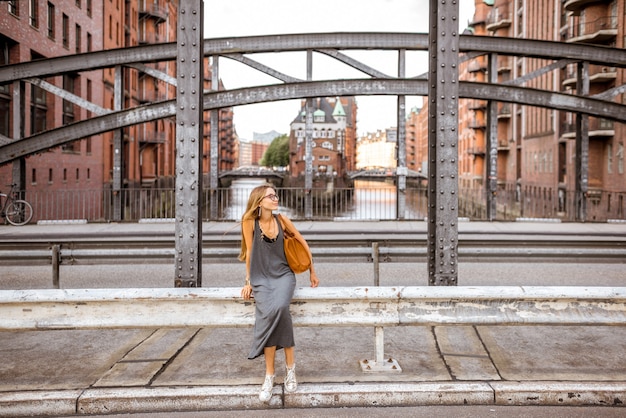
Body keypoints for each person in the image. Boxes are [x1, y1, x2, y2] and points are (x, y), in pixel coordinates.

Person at [238, 183, 320, 402]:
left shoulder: (282, 220)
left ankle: (289, 369)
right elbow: (249, 254)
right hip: (260, 277)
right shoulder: (250, 223)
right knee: (270, 315)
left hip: (283, 275)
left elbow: (304, 244)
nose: (275, 199)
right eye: (270, 196)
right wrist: (247, 282)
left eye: (275, 195)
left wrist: (312, 271)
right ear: (259, 202)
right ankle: (271, 375)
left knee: (281, 308)